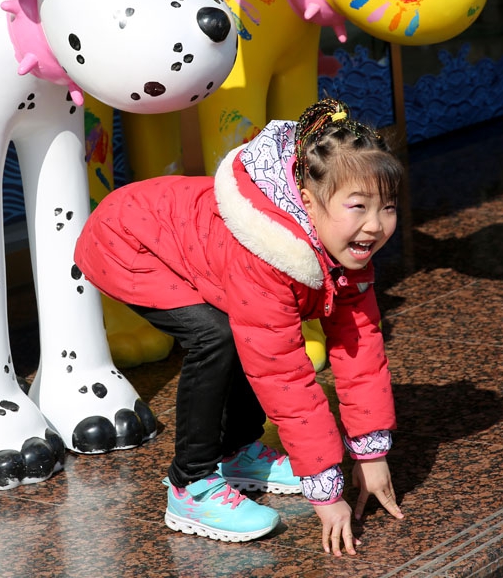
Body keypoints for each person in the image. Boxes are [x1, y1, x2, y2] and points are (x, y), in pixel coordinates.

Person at [74, 98, 405, 555]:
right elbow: (282, 373)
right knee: (218, 335)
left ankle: (237, 451)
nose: (375, 225)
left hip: (178, 240)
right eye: (358, 207)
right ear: (307, 201)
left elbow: (359, 348)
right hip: (127, 240)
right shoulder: (266, 253)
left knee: (246, 329)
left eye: (387, 207)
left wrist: (371, 454)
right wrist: (326, 494)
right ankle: (189, 486)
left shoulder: (348, 250)